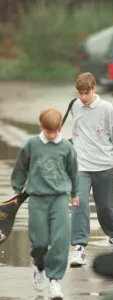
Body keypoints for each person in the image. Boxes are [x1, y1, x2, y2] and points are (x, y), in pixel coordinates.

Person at [10, 108, 79, 299]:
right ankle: (39, 266)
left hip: (59, 197)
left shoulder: (65, 147)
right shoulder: (32, 144)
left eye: (55, 131)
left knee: (60, 240)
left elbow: (73, 170)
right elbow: (21, 167)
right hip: (37, 198)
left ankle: (55, 281)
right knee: (39, 241)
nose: (51, 135)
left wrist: (75, 193)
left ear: (59, 128)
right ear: (41, 126)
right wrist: (17, 190)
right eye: (48, 131)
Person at [69, 72, 113, 266]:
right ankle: (79, 248)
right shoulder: (75, 106)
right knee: (80, 204)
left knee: (106, 207)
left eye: (86, 92)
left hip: (104, 165)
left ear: (94, 89)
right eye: (80, 93)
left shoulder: (107, 109)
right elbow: (78, 131)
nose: (83, 97)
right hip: (81, 165)